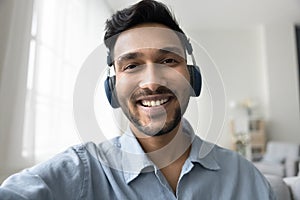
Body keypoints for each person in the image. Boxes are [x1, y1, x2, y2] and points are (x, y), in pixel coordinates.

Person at [0, 0, 275, 199]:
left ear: (192, 77)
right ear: (113, 87)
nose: (152, 81)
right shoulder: (81, 172)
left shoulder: (245, 178)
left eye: (168, 60)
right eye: (131, 65)